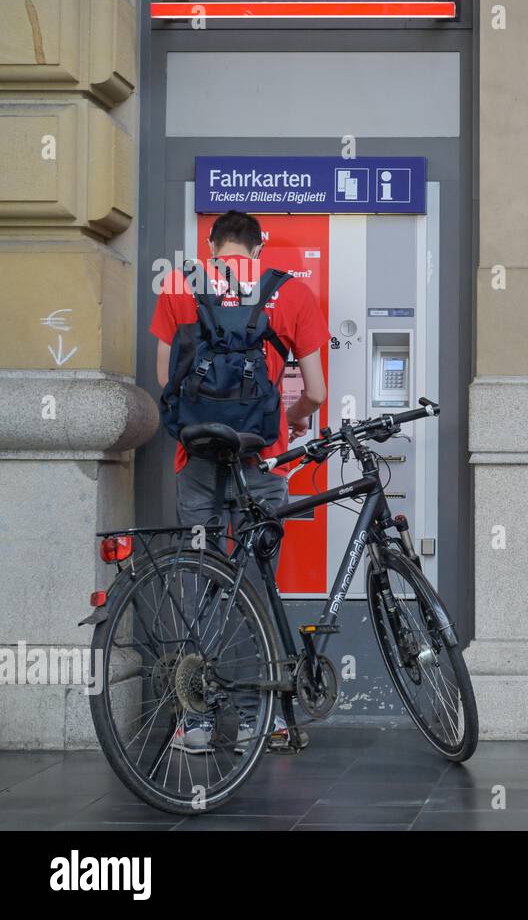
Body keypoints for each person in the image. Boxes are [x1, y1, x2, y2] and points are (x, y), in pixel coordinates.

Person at [150, 210, 329, 754]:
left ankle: (198, 724)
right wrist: (292, 417)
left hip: (199, 461)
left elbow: (166, 379)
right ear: (258, 248)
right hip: (261, 461)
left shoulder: (180, 284)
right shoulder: (291, 293)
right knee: (253, 588)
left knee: (200, 585)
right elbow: (316, 391)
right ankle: (262, 720)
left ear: (212, 243)